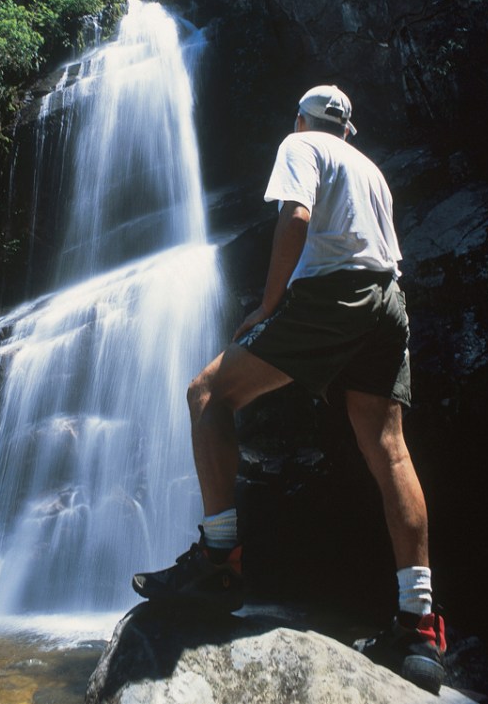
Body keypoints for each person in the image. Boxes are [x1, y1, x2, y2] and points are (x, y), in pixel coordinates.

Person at [132, 85, 446, 694]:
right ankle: (420, 624)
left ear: (303, 120)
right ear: (348, 129)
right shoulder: (371, 170)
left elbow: (296, 216)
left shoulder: (300, 144)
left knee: (207, 395)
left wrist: (269, 307)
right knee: (390, 451)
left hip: (333, 296)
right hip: (389, 302)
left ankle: (219, 561)